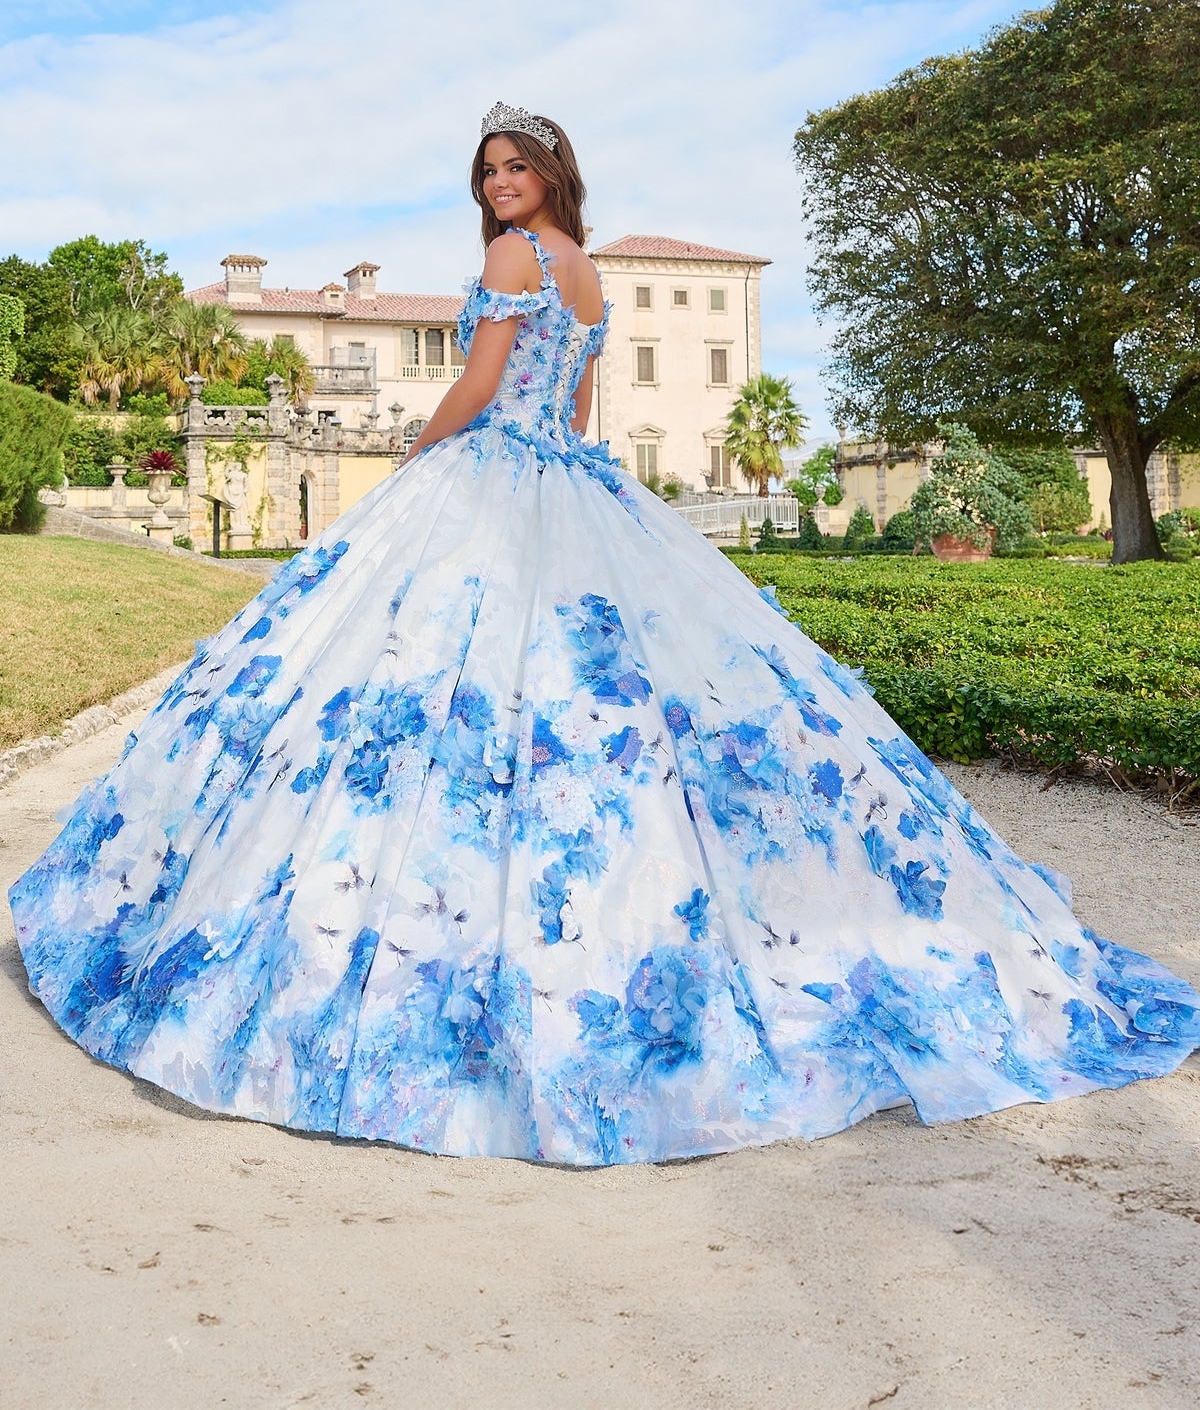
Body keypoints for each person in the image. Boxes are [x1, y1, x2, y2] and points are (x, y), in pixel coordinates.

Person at [11, 104, 1200, 1166]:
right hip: (576, 483)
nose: (498, 184)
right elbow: (578, 408)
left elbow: (481, 381)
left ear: (550, 172)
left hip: (486, 474)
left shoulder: (508, 259)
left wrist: (422, 458)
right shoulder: (589, 275)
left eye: (515, 166)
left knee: (404, 683)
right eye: (487, 171)